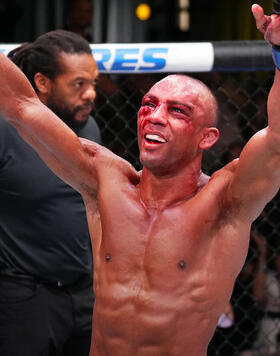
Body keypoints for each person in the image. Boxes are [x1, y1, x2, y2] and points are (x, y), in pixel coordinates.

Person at [0, 3, 279, 355]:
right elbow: (21, 104)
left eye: (177, 110)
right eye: (149, 104)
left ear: (207, 138)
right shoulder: (105, 180)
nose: (155, 117)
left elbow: (277, 141)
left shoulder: (226, 202)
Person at [0, 30, 100, 356]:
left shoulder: (89, 128)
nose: (90, 95)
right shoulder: (6, 130)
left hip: (85, 291)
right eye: (78, 84)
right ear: (43, 83)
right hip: (24, 295)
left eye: (94, 83)